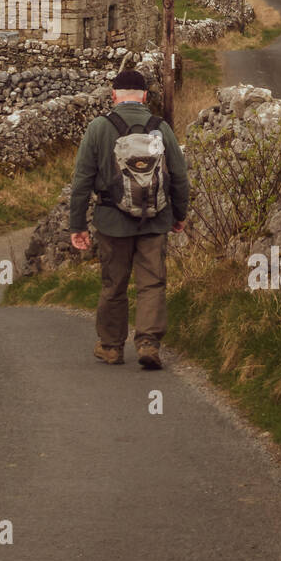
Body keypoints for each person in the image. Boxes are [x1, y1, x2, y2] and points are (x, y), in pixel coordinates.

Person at [69, 70, 189, 370]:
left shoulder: (99, 128)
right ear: (145, 96)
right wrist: (179, 214)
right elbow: (179, 175)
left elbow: (82, 179)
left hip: (112, 220)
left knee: (114, 284)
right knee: (152, 283)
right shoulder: (160, 128)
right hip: (155, 219)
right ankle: (148, 343)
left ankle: (111, 347)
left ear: (114, 95)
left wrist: (78, 225)